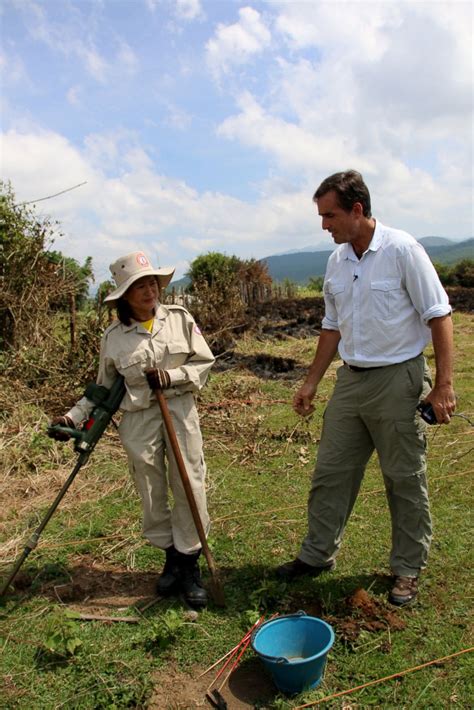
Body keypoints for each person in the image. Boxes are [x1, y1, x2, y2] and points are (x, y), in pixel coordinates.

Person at [277, 170, 455, 606]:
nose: (324, 225)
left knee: (403, 478)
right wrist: (312, 381)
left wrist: (444, 385)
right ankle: (318, 555)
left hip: (399, 380)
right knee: (331, 473)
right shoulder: (337, 260)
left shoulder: (401, 249)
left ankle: (407, 569)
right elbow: (332, 325)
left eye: (330, 215)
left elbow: (439, 314)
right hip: (351, 382)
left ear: (358, 210)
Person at [49, 251, 215, 609]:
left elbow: (204, 363)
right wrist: (71, 418)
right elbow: (103, 389)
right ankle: (170, 556)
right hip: (139, 419)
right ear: (124, 295)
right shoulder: (114, 337)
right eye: (139, 286)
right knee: (150, 489)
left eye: (151, 282)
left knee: (189, 482)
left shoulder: (180, 319)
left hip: (180, 410)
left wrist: (173, 376)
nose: (148, 290)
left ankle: (189, 565)